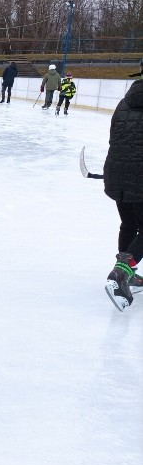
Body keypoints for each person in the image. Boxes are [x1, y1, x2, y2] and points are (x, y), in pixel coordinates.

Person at [102, 59, 143, 311]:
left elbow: (113, 136)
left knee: (129, 224)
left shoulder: (124, 102)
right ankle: (121, 272)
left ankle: (128, 274)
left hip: (117, 172)